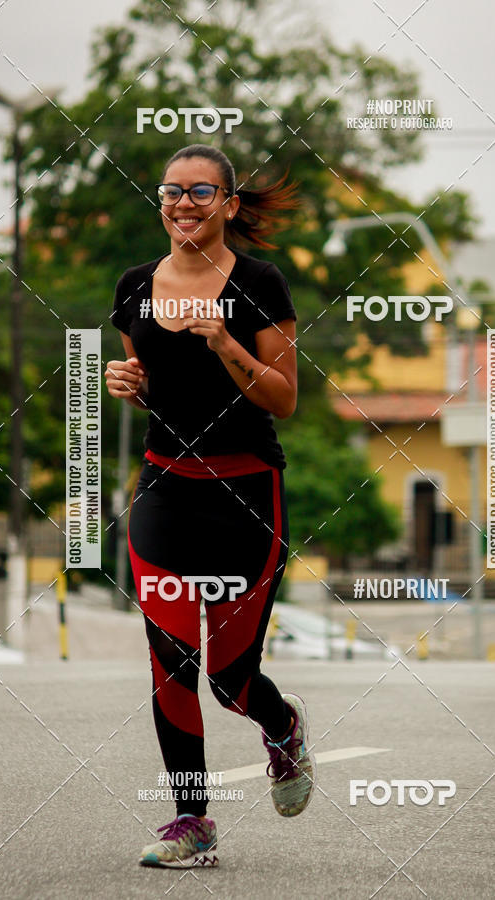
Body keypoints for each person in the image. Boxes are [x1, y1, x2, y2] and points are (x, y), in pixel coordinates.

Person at [105, 144, 315, 868]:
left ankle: (281, 727)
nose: (183, 203)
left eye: (201, 191)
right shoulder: (135, 287)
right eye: (171, 191)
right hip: (165, 490)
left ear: (228, 204)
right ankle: (192, 822)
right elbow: (148, 375)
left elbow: (282, 398)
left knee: (230, 681)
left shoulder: (260, 282)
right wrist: (124, 378)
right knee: (171, 661)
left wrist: (226, 342)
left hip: (246, 494)